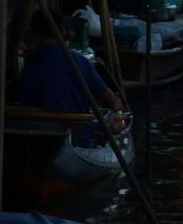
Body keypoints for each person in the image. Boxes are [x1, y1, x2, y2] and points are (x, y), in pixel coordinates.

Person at [16, 11, 121, 145]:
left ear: (33, 34)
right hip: (79, 139)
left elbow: (25, 107)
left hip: (44, 140)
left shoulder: (30, 67)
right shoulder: (80, 61)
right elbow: (111, 100)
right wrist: (118, 105)